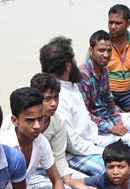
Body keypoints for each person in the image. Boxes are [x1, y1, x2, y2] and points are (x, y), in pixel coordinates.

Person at [39, 36, 105, 176]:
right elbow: (73, 145)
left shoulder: (72, 86)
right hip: (74, 153)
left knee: (129, 146)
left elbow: (86, 121)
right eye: (74, 58)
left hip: (92, 141)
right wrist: (103, 151)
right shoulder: (57, 97)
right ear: (68, 66)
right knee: (112, 170)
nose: (77, 62)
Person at [79, 30, 130, 146]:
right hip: (93, 126)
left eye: (109, 50)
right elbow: (84, 114)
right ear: (91, 51)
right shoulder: (82, 76)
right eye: (101, 50)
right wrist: (111, 128)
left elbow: (109, 102)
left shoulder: (105, 71)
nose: (106, 55)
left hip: (108, 117)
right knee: (129, 144)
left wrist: (118, 123)